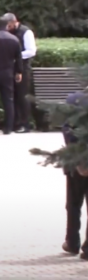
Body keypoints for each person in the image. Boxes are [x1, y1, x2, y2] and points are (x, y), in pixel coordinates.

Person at [62, 91, 88, 260]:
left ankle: (72, 242)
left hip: (75, 159)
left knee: (73, 203)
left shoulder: (74, 100)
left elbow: (68, 130)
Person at [4, 13, 38, 133]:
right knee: (12, 96)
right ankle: (15, 123)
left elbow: (31, 51)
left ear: (14, 22)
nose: (6, 28)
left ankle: (25, 123)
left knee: (22, 96)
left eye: (8, 25)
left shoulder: (26, 32)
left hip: (23, 67)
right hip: (9, 68)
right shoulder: (8, 32)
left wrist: (16, 56)